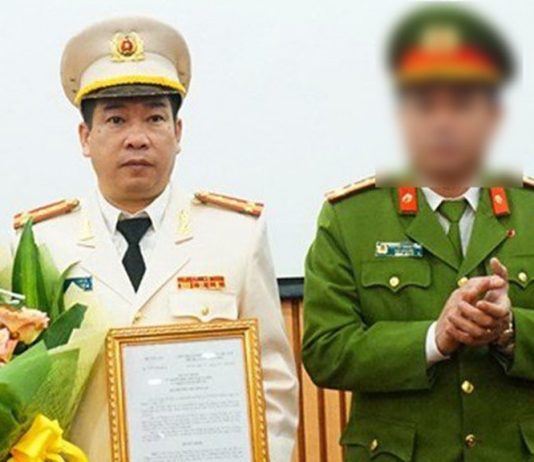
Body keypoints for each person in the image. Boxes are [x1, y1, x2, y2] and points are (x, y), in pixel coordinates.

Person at [14, 16, 298, 461]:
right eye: (116, 120)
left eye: (154, 118)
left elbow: (273, 384)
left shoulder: (236, 237)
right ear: (86, 137)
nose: (137, 138)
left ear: (177, 133)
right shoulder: (38, 243)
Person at [303, 3, 534, 461]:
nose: (443, 121)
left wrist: (509, 330)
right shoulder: (349, 218)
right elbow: (325, 350)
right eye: (425, 105)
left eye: (461, 104)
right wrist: (433, 338)